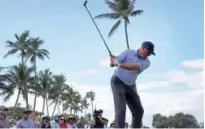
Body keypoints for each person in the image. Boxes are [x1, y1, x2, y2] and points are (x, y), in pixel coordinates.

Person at [110, 41, 155, 128]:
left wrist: (119, 64)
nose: (148, 55)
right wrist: (112, 61)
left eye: (149, 54)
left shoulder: (147, 62)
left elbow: (134, 67)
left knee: (139, 111)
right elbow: (113, 64)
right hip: (117, 81)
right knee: (121, 109)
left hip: (130, 85)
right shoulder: (128, 52)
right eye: (147, 52)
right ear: (142, 48)